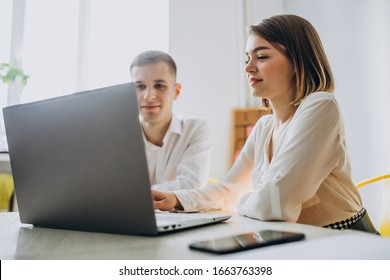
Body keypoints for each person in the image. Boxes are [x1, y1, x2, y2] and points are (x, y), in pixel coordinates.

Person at [152, 15, 378, 233]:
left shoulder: (321, 105)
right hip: (299, 242)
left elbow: (275, 204)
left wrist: (242, 200)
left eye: (261, 57)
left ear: (298, 61)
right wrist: (176, 199)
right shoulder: (264, 127)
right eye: (247, 59)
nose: (249, 68)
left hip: (346, 240)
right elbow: (229, 188)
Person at [130, 50, 212, 191]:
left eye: (159, 86)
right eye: (140, 86)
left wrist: (134, 195)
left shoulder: (196, 129)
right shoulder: (120, 137)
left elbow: (192, 185)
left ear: (176, 91)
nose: (149, 96)